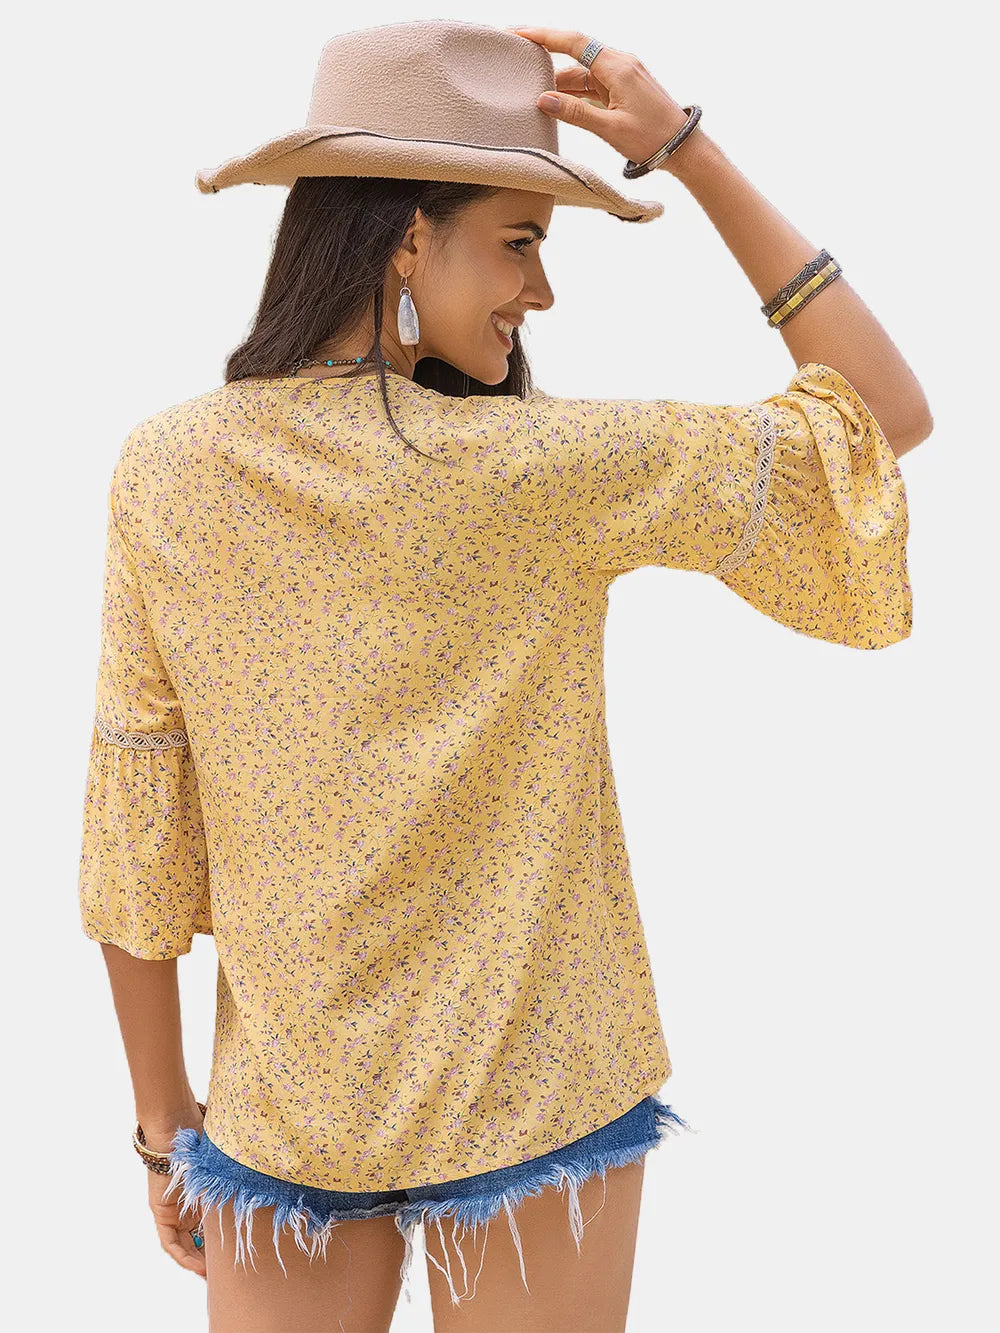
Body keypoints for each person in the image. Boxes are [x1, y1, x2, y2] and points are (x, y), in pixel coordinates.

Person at [77, 19, 930, 1333]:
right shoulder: (540, 469)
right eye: (522, 242)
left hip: (293, 1104)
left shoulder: (169, 468)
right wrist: (686, 150)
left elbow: (135, 815)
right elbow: (881, 414)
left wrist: (161, 1124)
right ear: (406, 240)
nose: (542, 293)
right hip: (540, 1081)